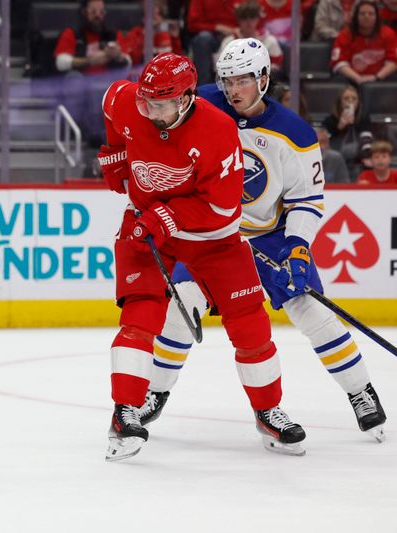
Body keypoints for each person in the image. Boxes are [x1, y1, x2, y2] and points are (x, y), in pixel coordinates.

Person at [139, 39, 386, 443]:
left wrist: (299, 247)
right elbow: (155, 119)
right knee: (181, 309)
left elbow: (306, 200)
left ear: (264, 79)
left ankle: (362, 392)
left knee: (314, 314)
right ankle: (154, 393)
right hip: (211, 235)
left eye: (242, 80)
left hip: (269, 238)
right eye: (227, 80)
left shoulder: (295, 133)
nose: (233, 89)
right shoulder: (198, 106)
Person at [98, 51, 304, 460]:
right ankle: (125, 412)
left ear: (187, 98)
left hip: (212, 235)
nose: (149, 110)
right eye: (146, 101)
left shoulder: (218, 129)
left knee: (250, 323)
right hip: (148, 225)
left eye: (160, 104)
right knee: (140, 313)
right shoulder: (130, 101)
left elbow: (224, 207)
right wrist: (116, 155)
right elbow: (111, 105)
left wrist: (166, 215)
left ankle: (268, 410)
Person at [54, 0, 132, 147]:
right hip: (82, 81)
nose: (98, 16)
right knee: (75, 80)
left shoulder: (113, 35)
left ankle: (105, 137)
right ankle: (80, 134)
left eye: (101, 12)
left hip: (106, 83)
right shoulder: (72, 33)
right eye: (93, 12)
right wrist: (89, 61)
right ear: (84, 12)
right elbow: (61, 62)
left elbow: (128, 61)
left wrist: (118, 56)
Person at [330, 0, 397, 85]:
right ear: (356, 17)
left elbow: (394, 61)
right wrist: (357, 78)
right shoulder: (344, 35)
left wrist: (377, 77)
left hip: (380, 78)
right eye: (362, 14)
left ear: (377, 17)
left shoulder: (388, 34)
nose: (366, 16)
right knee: (337, 80)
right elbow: (338, 62)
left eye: (371, 14)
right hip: (352, 78)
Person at [219, 1, 284, 76]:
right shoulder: (229, 42)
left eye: (252, 17)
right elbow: (221, 68)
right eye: (244, 18)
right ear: (238, 20)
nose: (248, 22)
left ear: (258, 19)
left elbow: (276, 66)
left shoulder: (269, 40)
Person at [187, 0, 240, 85]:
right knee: (203, 39)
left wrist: (238, 31)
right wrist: (217, 27)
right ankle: (203, 87)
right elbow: (192, 25)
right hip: (212, 36)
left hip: (237, 35)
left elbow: (252, 17)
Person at [322, 85, 372, 175]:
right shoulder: (330, 120)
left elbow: (367, 144)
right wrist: (339, 127)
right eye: (346, 98)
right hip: (335, 163)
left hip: (358, 163)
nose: (350, 101)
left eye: (354, 99)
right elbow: (323, 144)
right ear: (340, 102)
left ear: (358, 102)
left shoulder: (363, 119)